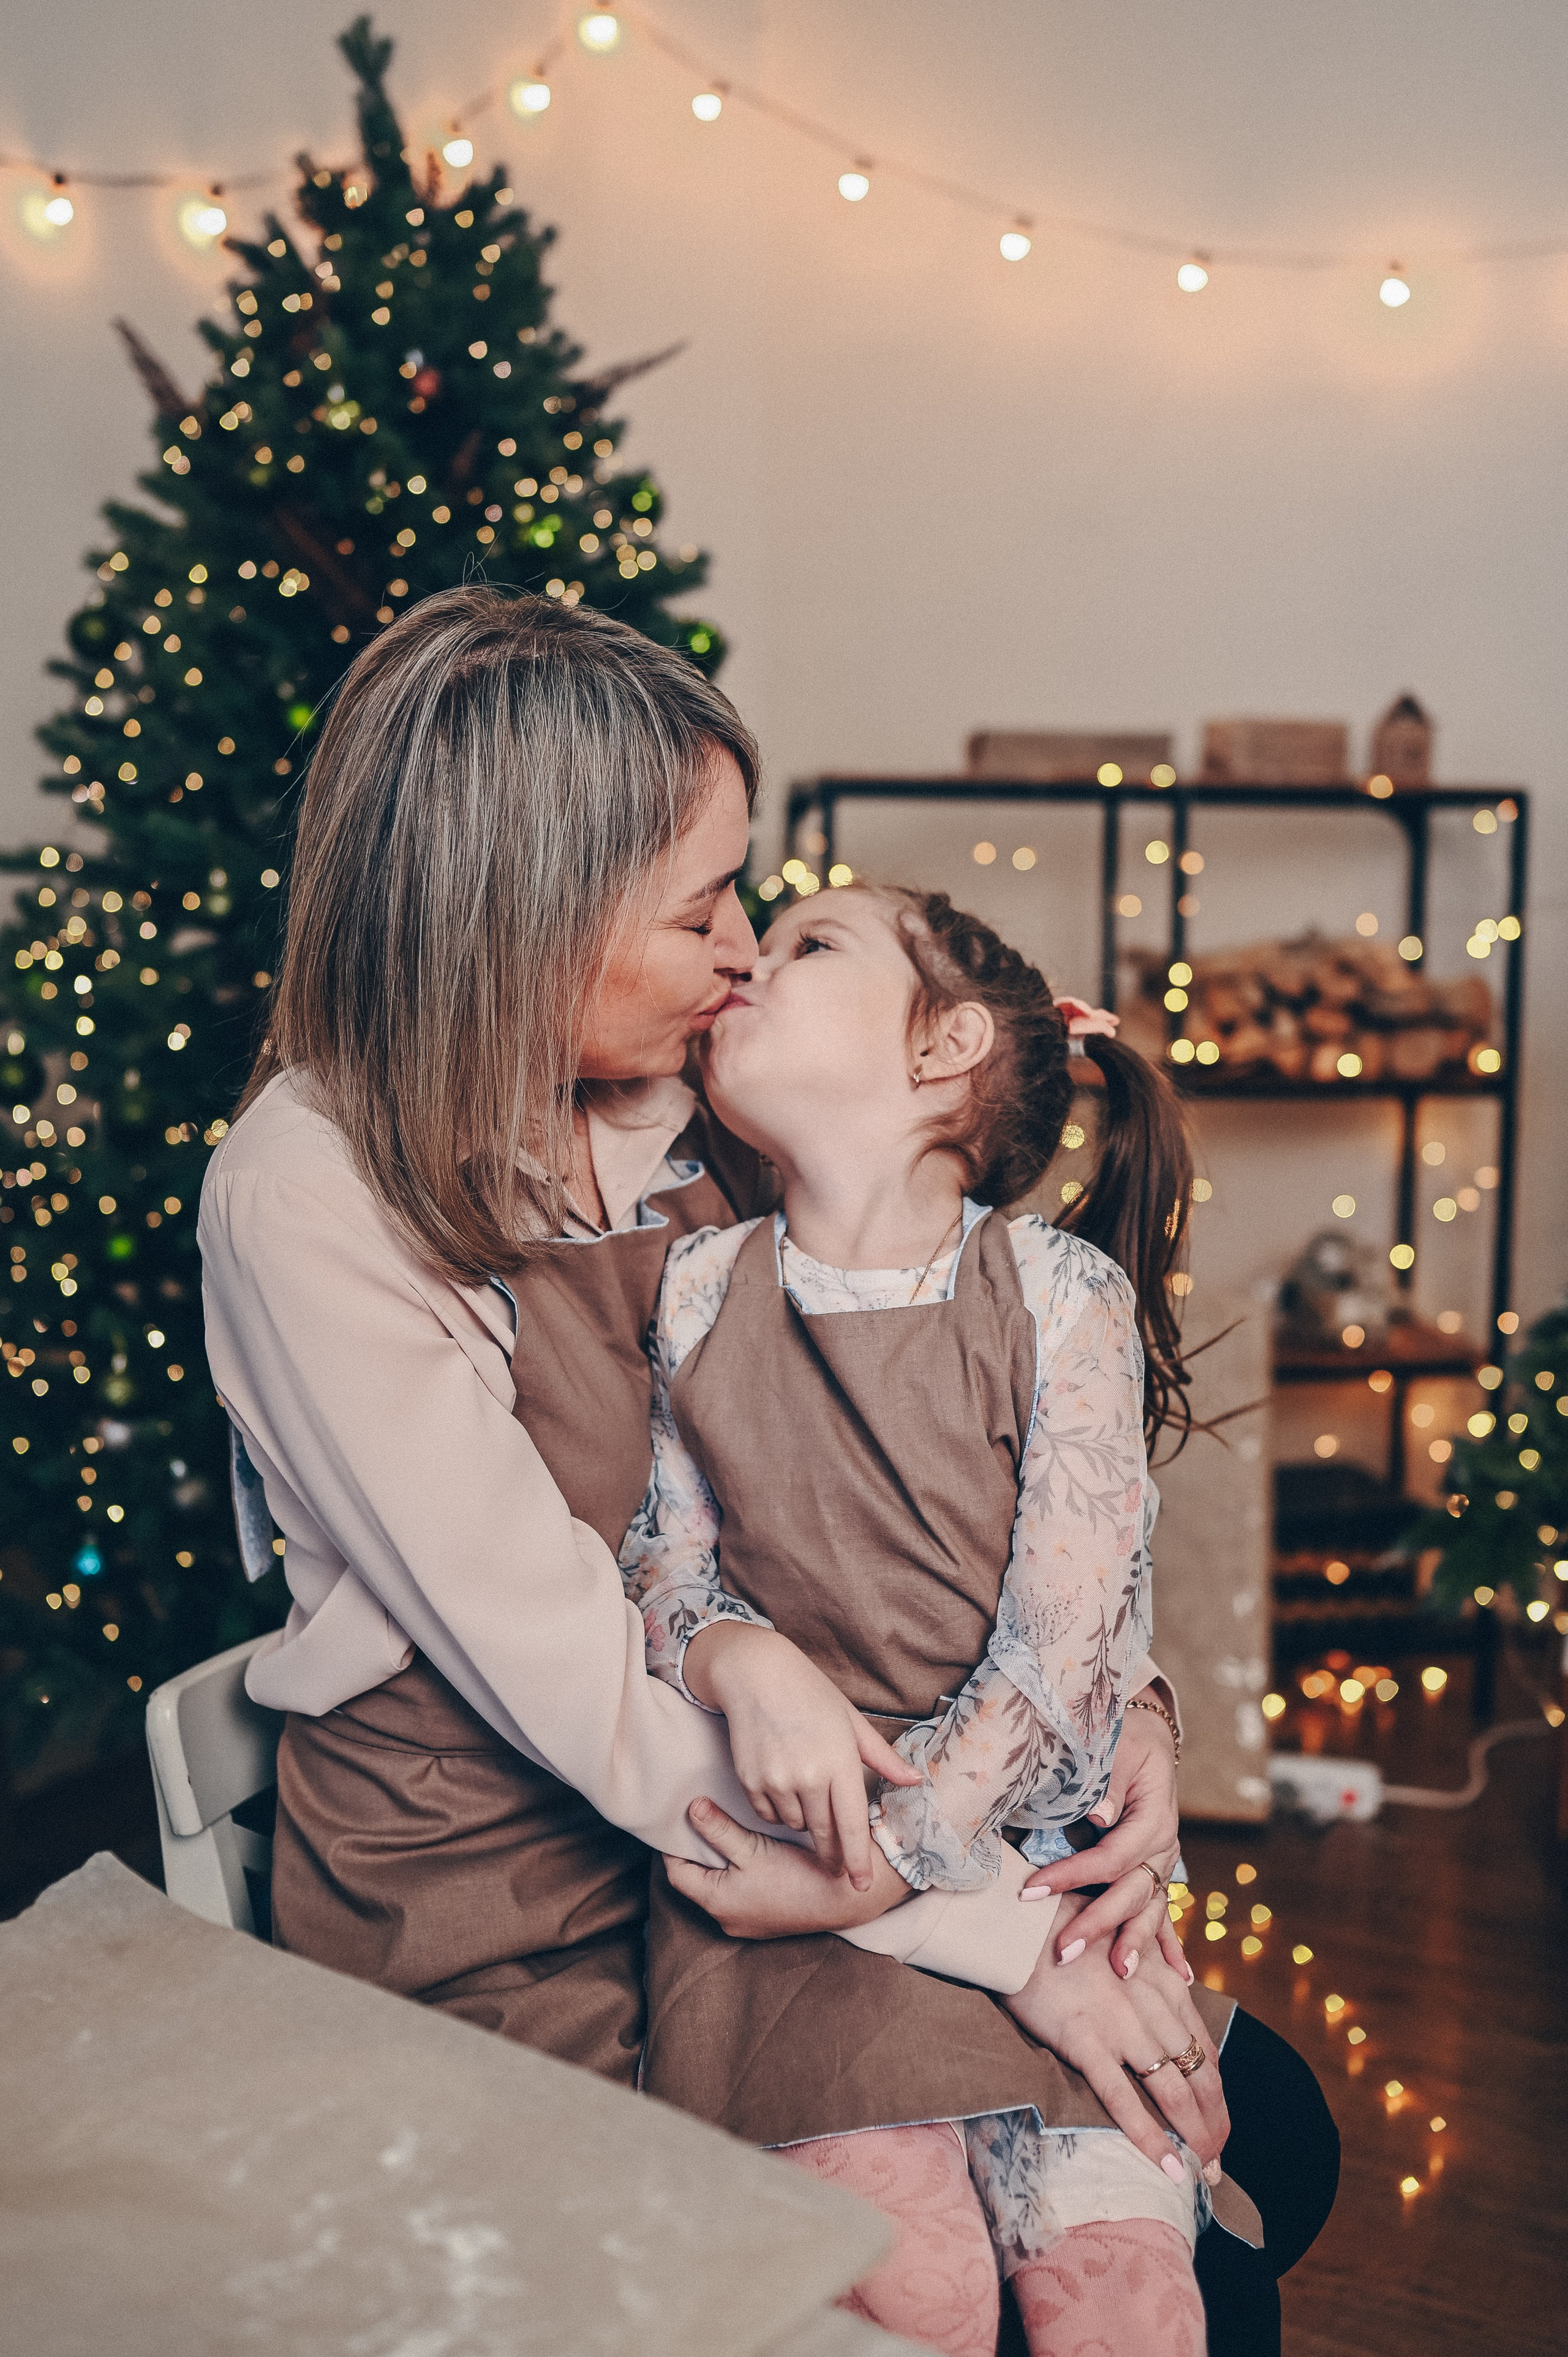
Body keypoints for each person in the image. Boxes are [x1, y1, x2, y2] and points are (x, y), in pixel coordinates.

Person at [198, 587, 1334, 2353]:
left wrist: (1134, 1721)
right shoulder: (310, 1198)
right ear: (525, 915)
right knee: (1134, 2283)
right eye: (700, 906)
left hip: (831, 1839)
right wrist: (1004, 1943)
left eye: (756, 899)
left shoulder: (679, 1101)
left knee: (1282, 2143)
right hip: (542, 1902)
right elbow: (583, 1683)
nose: (744, 949)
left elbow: (967, 1449)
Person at [619, 882, 1245, 2354]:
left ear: (943, 1044)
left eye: (806, 946)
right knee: (911, 2293)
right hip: (784, 1890)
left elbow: (1060, 1646)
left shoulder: (1055, 1294)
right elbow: (665, 1566)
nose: (746, 965)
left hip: (1021, 1870)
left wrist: (892, 1861)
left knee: (1125, 2299)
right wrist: (723, 1646)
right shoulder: (701, 1285)